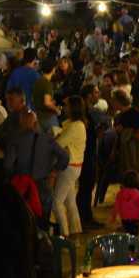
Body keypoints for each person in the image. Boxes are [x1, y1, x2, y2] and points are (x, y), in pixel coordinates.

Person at [3, 110, 69, 224]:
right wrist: (54, 170)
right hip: (43, 184)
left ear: (21, 123)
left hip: (22, 186)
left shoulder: (15, 140)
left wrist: (12, 177)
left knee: (22, 220)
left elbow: (8, 165)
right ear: (35, 122)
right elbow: (64, 156)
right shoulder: (47, 139)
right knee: (43, 220)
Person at [51, 96, 87, 236]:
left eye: (66, 105)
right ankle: (75, 231)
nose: (63, 107)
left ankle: (64, 234)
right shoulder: (74, 124)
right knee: (70, 201)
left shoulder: (75, 126)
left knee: (57, 201)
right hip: (74, 166)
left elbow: (58, 143)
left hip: (69, 167)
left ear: (73, 108)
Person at [108, 170, 139, 234]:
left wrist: (113, 216)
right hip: (135, 219)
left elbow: (116, 206)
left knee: (127, 231)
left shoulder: (120, 193)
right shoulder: (138, 194)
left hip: (124, 218)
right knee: (134, 233)